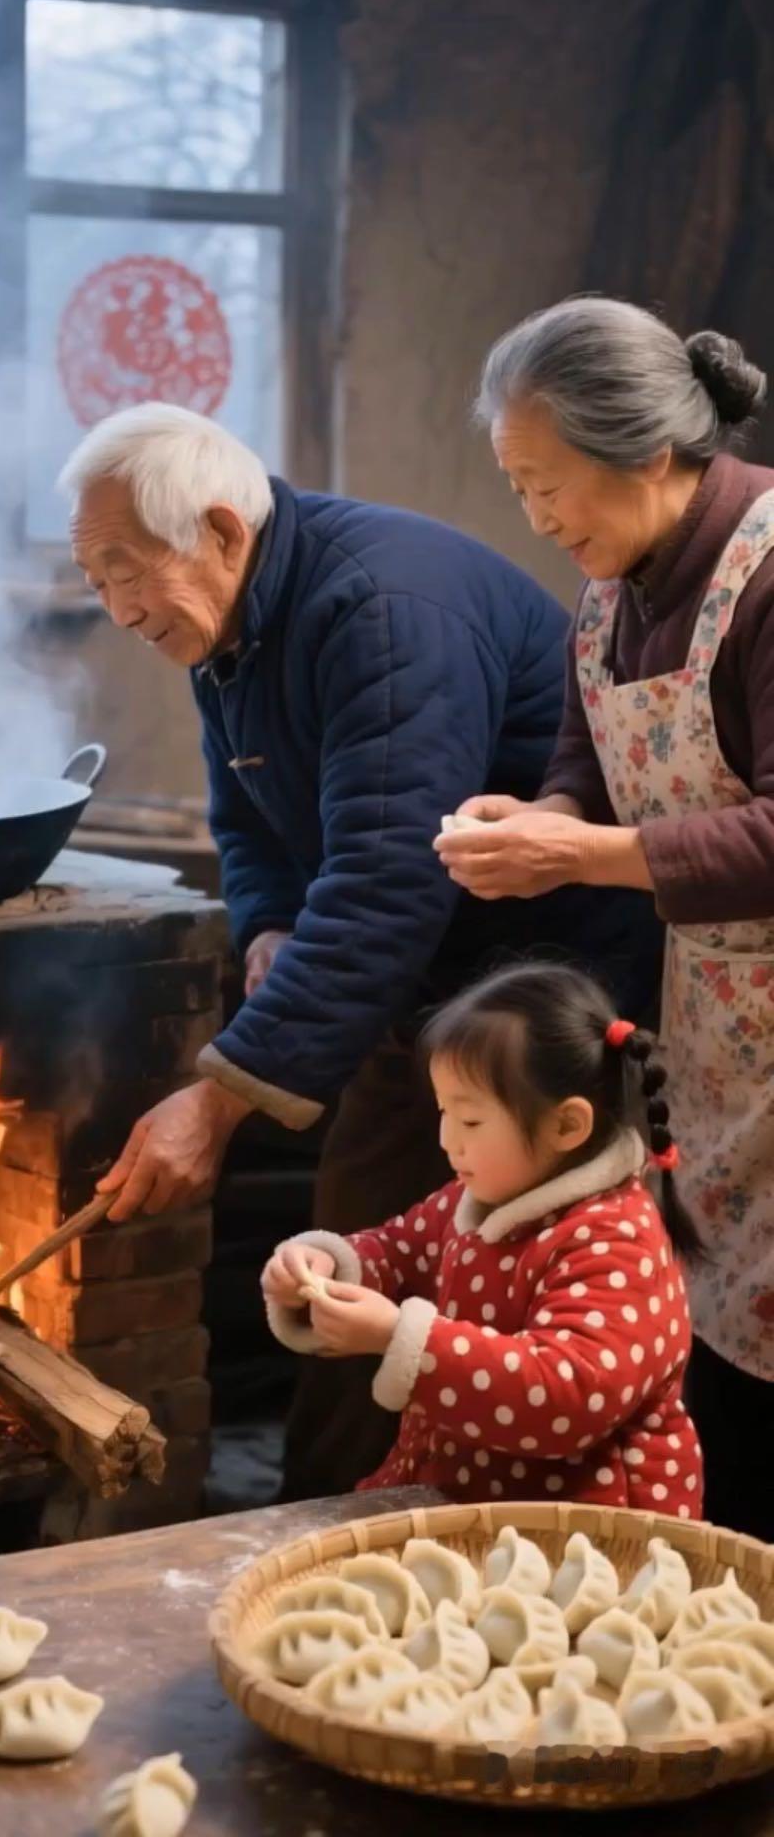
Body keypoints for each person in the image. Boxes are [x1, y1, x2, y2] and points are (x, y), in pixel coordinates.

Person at [58, 402, 660, 1496]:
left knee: (529, 1277)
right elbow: (244, 822)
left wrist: (222, 1097)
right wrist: (271, 927)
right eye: (94, 581)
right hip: (426, 996)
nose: (114, 608)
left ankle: (465, 1531)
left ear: (223, 530)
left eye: (122, 569)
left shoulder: (380, 608)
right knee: (349, 1260)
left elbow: (390, 875)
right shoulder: (227, 632)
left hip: (543, 1011)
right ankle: (328, 1524)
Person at [438, 295, 774, 1540]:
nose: (535, 518)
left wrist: (580, 850)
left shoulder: (767, 567)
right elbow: (587, 768)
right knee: (725, 1339)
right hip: (721, 1027)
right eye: (518, 488)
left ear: (643, 453)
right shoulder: (611, 587)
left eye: (547, 484)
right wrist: (531, 827)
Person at [262, 963, 702, 1513]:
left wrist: (401, 1338)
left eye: (469, 1121)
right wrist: (325, 1266)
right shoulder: (482, 1196)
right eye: (444, 1112)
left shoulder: (616, 1240)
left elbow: (567, 1393)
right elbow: (400, 1248)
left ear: (566, 1126)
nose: (448, 1139)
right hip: (468, 1494)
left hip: (585, 1533)